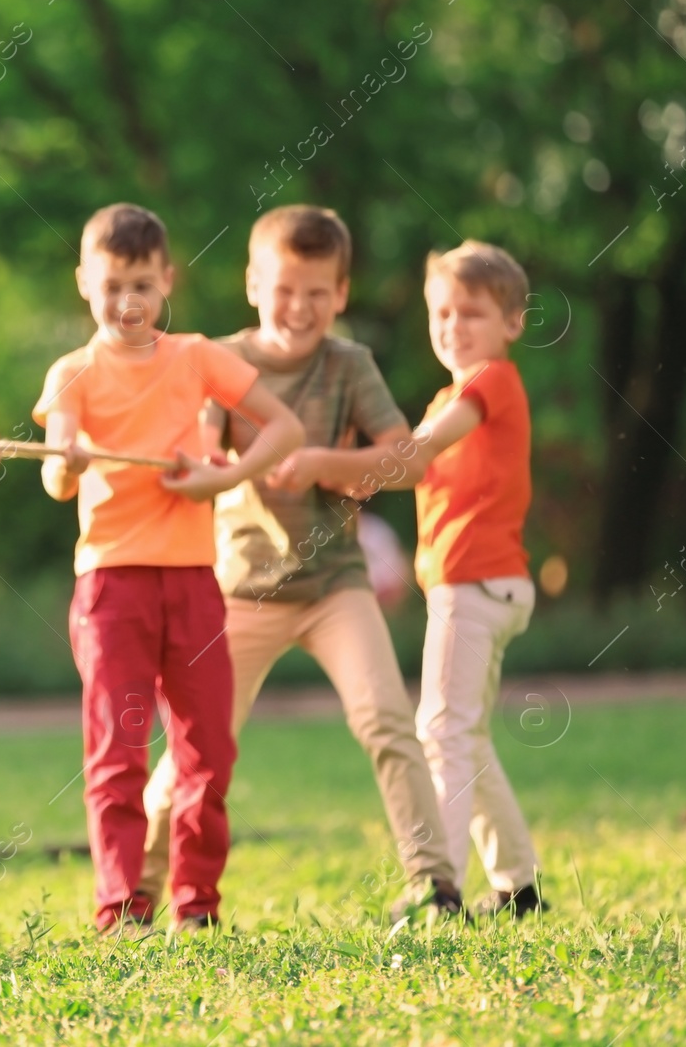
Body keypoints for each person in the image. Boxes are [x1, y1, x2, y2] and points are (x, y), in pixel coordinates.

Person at [138, 205, 461, 922]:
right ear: (253, 284)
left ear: (341, 293)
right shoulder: (216, 360)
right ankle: (137, 896)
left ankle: (434, 885)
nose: (300, 307)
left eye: (318, 292)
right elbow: (194, 453)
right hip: (237, 588)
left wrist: (322, 462)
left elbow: (406, 460)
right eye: (284, 289)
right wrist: (221, 465)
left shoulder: (349, 364)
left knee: (386, 720)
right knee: (197, 750)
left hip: (333, 585)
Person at [35, 203, 304, 934]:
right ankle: (122, 907)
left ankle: (198, 906)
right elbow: (56, 478)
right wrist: (68, 459)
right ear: (84, 281)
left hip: (193, 583)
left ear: (167, 284)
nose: (128, 303)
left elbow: (286, 427)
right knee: (119, 753)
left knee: (206, 752)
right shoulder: (73, 373)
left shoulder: (195, 357)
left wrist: (226, 477)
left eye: (143, 286)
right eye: (113, 284)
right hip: (111, 587)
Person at [292, 240, 544, 920]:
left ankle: (445, 889)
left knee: (441, 730)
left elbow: (423, 449)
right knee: (465, 732)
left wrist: (326, 458)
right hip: (470, 587)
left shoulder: (489, 382)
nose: (453, 325)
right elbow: (403, 467)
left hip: (476, 583)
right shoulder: (444, 396)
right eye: (441, 312)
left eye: (472, 312)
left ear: (511, 323)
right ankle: (519, 887)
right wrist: (344, 471)